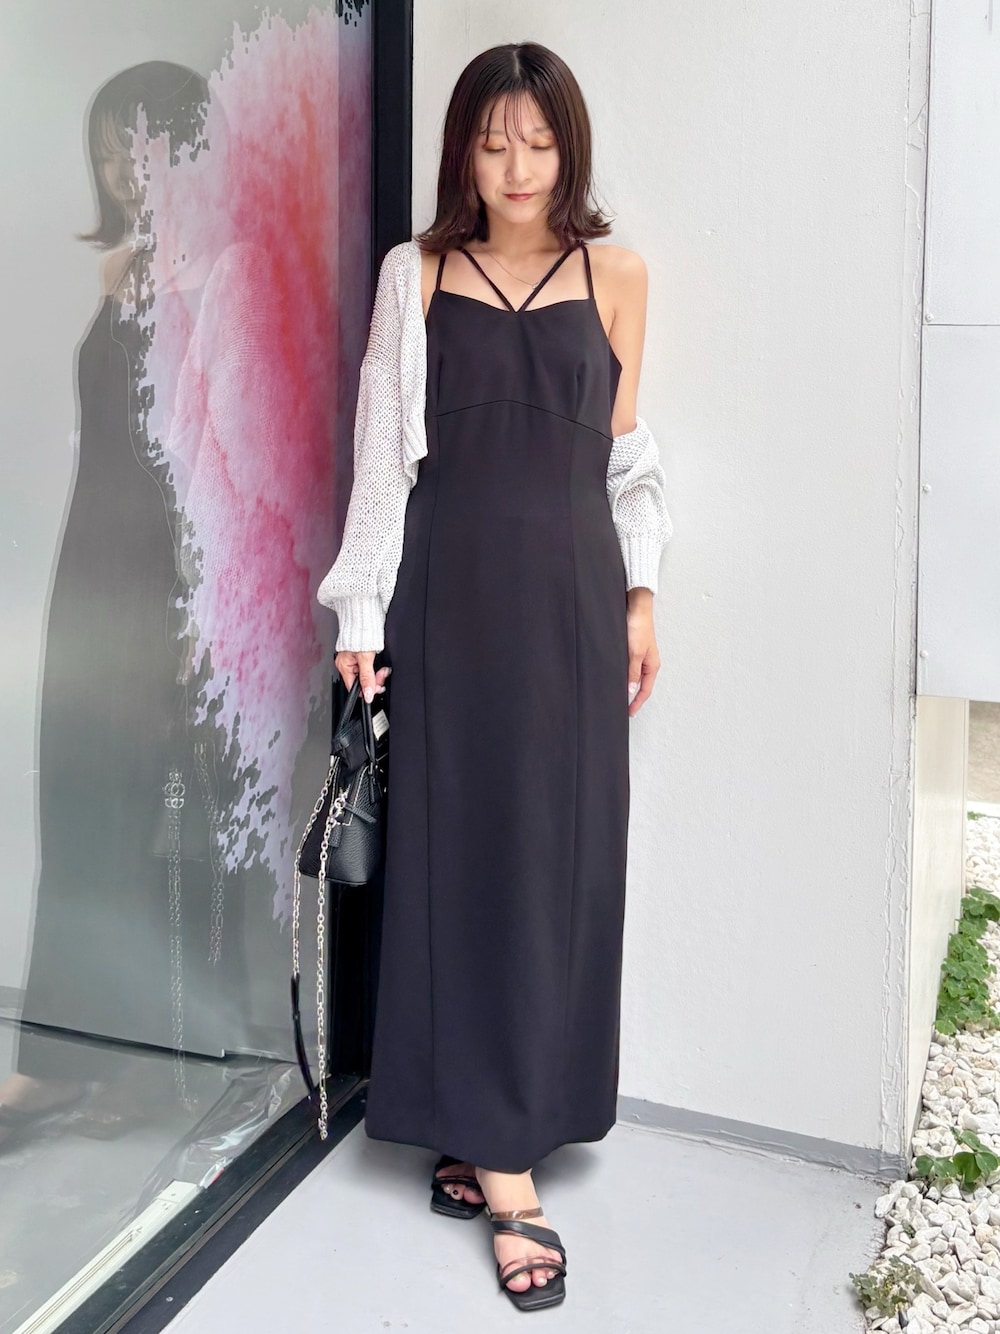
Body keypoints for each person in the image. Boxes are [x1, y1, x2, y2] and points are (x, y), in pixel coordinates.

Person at [317, 41, 672, 1311]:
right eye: (492, 141)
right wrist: (361, 606)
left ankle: (499, 1122)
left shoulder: (617, 275)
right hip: (449, 598)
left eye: (539, 140)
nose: (518, 166)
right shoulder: (412, 274)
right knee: (456, 857)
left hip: (573, 602)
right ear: (461, 150)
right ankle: (501, 1163)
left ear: (568, 146)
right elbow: (380, 454)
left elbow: (627, 457)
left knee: (556, 857)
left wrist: (642, 592)